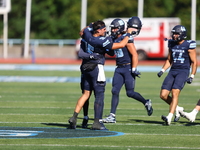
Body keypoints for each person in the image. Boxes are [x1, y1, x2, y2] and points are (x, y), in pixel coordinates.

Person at [68, 20, 135, 130]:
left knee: (85, 94)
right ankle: (97, 122)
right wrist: (128, 34)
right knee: (99, 94)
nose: (106, 30)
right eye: (103, 29)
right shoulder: (101, 40)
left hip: (85, 67)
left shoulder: (86, 35)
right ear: (98, 30)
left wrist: (90, 25)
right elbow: (121, 45)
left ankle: (74, 117)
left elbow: (82, 32)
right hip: (96, 67)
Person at [102, 17, 153, 123]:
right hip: (119, 68)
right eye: (113, 28)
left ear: (120, 28)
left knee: (130, 93)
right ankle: (112, 116)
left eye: (115, 28)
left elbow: (134, 54)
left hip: (128, 67)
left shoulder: (127, 38)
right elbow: (111, 53)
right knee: (114, 90)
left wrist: (134, 68)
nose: (113, 30)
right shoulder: (114, 38)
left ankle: (146, 102)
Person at [157, 25, 197, 125]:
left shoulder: (189, 45)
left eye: (176, 34)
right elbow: (169, 60)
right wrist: (162, 70)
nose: (174, 36)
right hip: (173, 71)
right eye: (173, 33)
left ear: (182, 34)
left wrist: (192, 75)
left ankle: (169, 117)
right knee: (163, 95)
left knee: (175, 92)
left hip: (183, 72)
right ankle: (178, 108)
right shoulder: (171, 43)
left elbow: (194, 62)